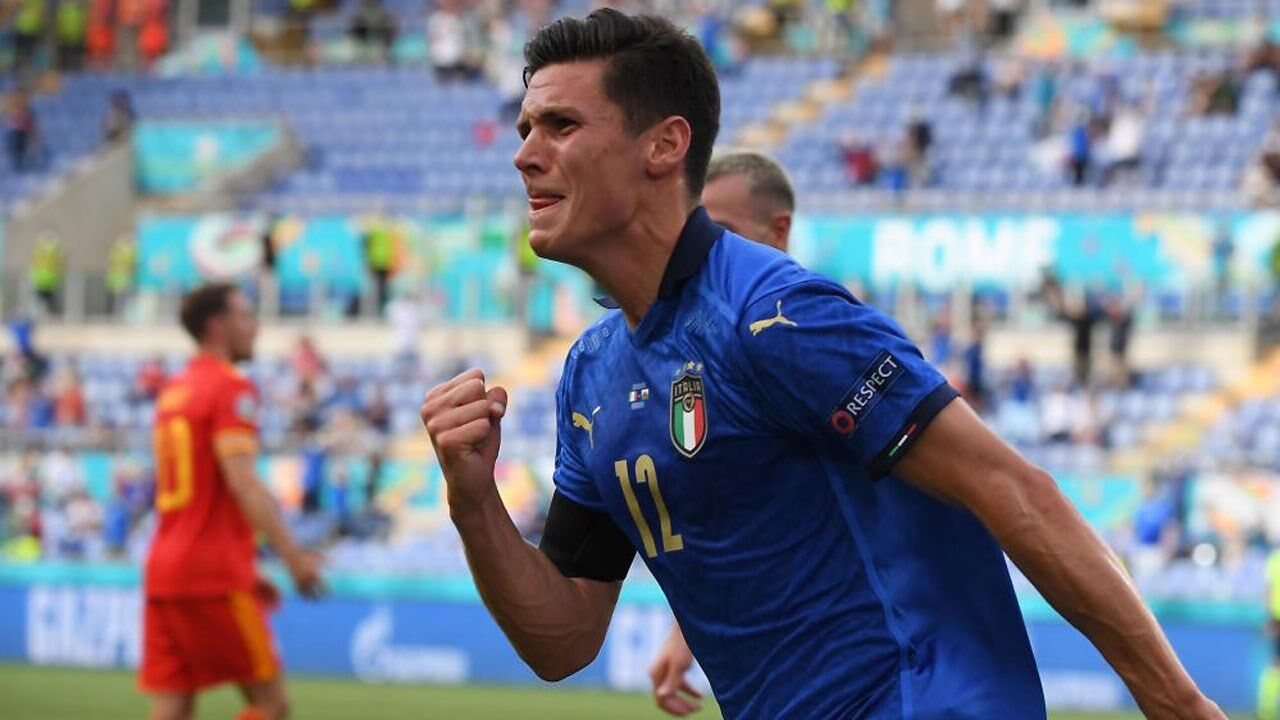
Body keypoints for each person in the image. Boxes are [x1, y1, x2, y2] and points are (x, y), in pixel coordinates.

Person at [419, 10, 1221, 720]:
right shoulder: (591, 375)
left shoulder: (776, 317)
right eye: (525, 129)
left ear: (664, 145)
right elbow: (562, 638)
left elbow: (1012, 488)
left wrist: (1175, 702)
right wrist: (473, 503)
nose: (526, 155)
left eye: (559, 125)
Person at [647, 149, 794, 716]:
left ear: (778, 231)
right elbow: (748, 511)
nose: (703, 248)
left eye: (721, 230)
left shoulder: (820, 343)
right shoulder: (710, 348)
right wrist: (686, 631)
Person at [140, 283, 325, 720]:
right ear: (216, 326)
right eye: (245, 316)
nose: (255, 327)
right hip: (212, 574)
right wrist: (293, 557)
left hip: (164, 570)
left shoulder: (175, 391)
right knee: (271, 705)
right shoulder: (230, 387)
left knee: (173, 705)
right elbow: (243, 483)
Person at [1261, 546, 1280, 720]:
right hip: (1277, 619)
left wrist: (1269, 616)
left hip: (1276, 618)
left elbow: (1267, 591)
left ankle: (1266, 709)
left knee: (1275, 664)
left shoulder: (1274, 558)